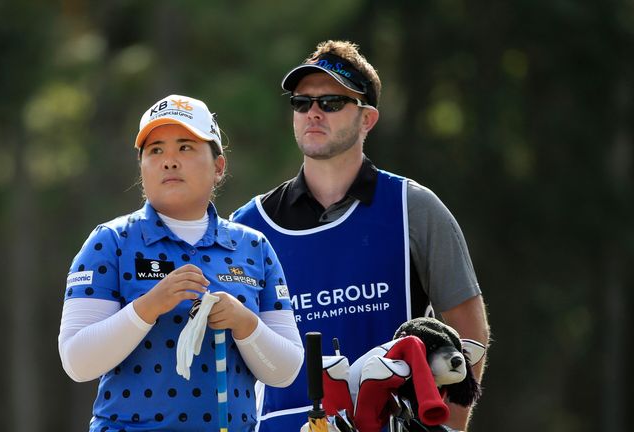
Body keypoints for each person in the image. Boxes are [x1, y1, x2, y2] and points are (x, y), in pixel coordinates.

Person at [231, 40, 490, 431]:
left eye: (331, 102)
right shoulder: (248, 225)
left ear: (367, 119)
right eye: (302, 103)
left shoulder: (413, 207)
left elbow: (467, 327)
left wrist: (446, 427)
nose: (313, 113)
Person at [59, 94, 304, 432]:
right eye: (155, 150)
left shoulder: (254, 247)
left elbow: (286, 370)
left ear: (219, 167)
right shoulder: (110, 242)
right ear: (142, 166)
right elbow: (77, 361)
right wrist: (149, 306)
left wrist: (244, 322)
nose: (169, 161)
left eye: (185, 147)